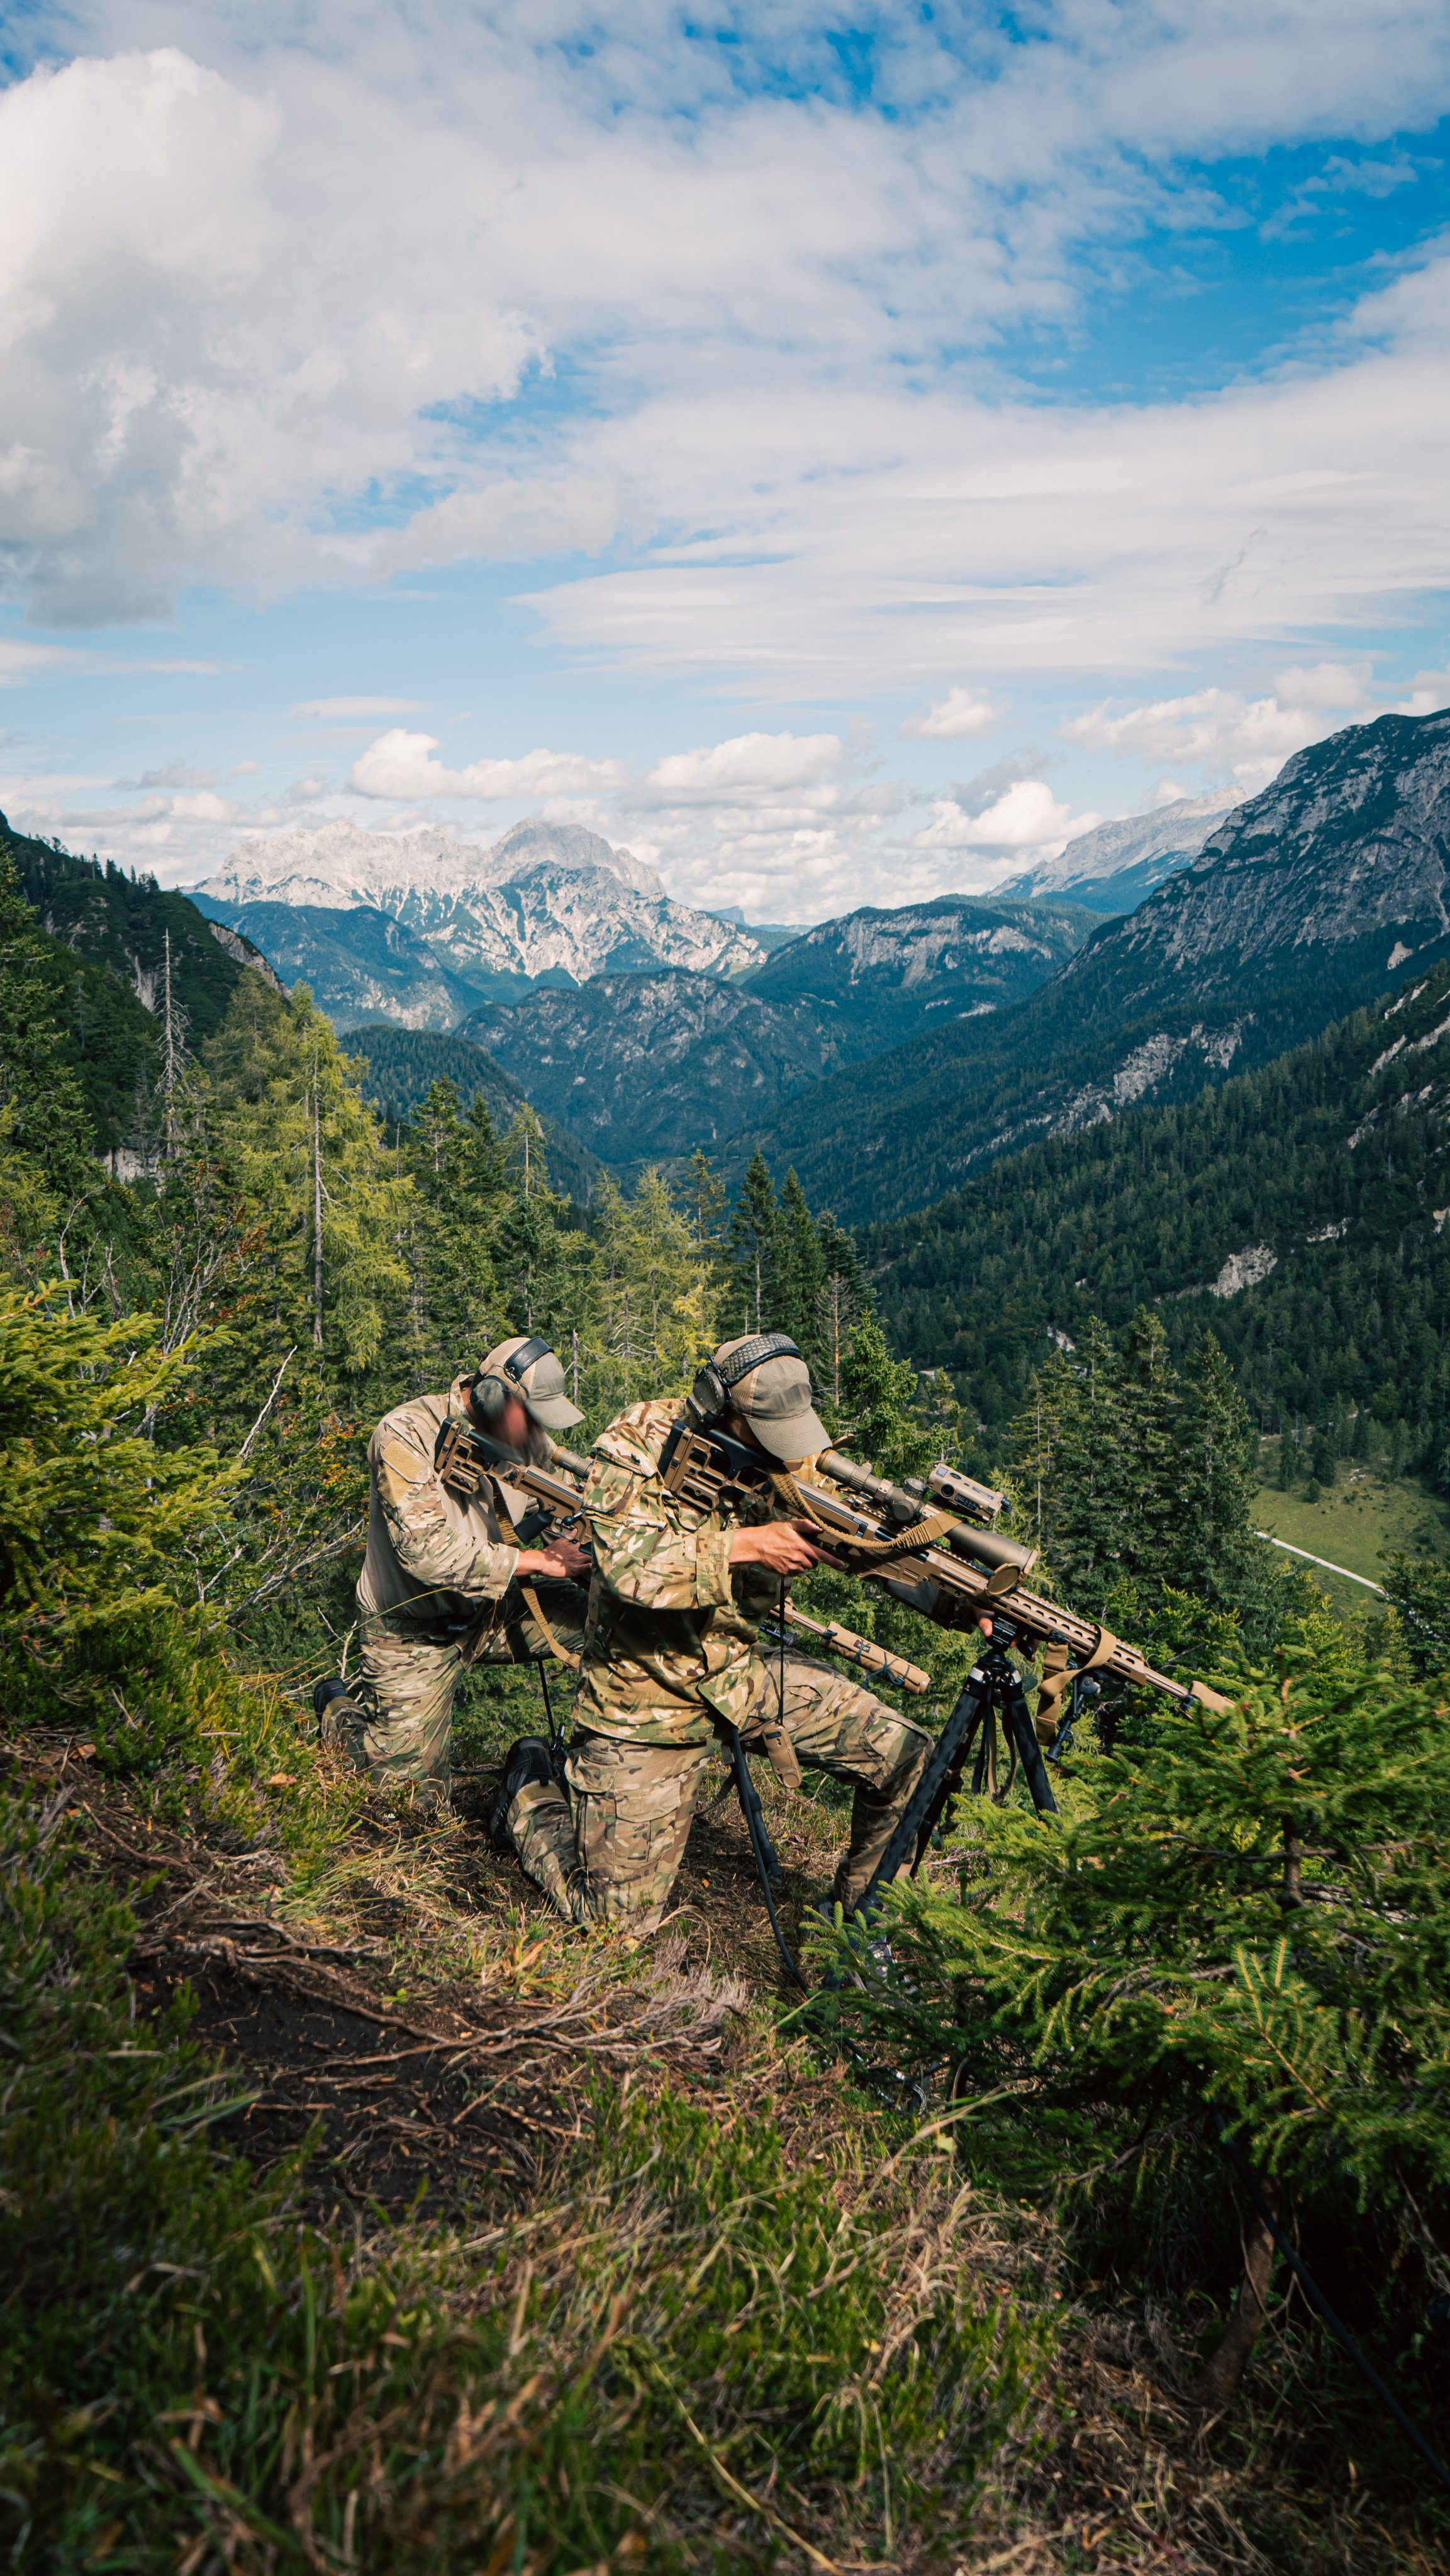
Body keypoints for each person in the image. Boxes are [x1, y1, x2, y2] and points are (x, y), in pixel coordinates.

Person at [492, 1332, 932, 1933]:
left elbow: (863, 1545)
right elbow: (625, 1568)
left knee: (903, 1756)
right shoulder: (637, 1440)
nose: (784, 1451)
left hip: (738, 1673)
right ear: (716, 1404)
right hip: (641, 1695)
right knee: (614, 1925)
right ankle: (531, 1790)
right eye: (766, 1433)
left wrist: (951, 1598)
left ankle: (858, 1929)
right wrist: (748, 1545)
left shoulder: (791, 1458)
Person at [314, 1335, 591, 1802]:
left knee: (618, 1623)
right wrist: (540, 1560)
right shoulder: (406, 1433)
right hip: (412, 1632)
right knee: (408, 1801)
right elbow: (426, 1552)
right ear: (490, 1396)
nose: (538, 1431)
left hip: (493, 1612)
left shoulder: (525, 1437)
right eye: (531, 1416)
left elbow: (557, 1510)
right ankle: (339, 1713)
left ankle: (593, 1777)